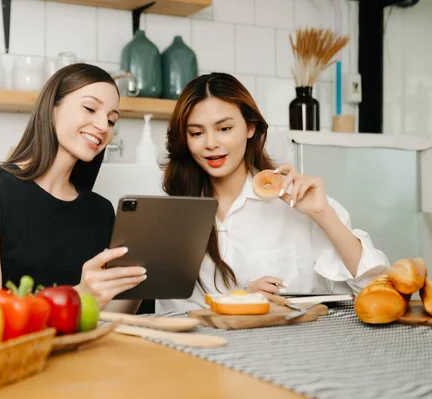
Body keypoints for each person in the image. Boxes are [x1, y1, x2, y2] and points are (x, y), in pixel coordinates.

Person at [156, 72, 390, 313]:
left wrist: (323, 214)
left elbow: (378, 290)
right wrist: (242, 300)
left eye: (224, 128)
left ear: (250, 127)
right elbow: (170, 316)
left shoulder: (296, 202)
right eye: (197, 133)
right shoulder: (175, 218)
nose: (211, 143)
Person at [0, 63, 145, 313]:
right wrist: (80, 294)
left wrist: (139, 279)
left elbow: (108, 319)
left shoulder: (101, 211)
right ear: (52, 107)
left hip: (86, 350)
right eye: (90, 108)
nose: (104, 126)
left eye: (111, 119)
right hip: (17, 351)